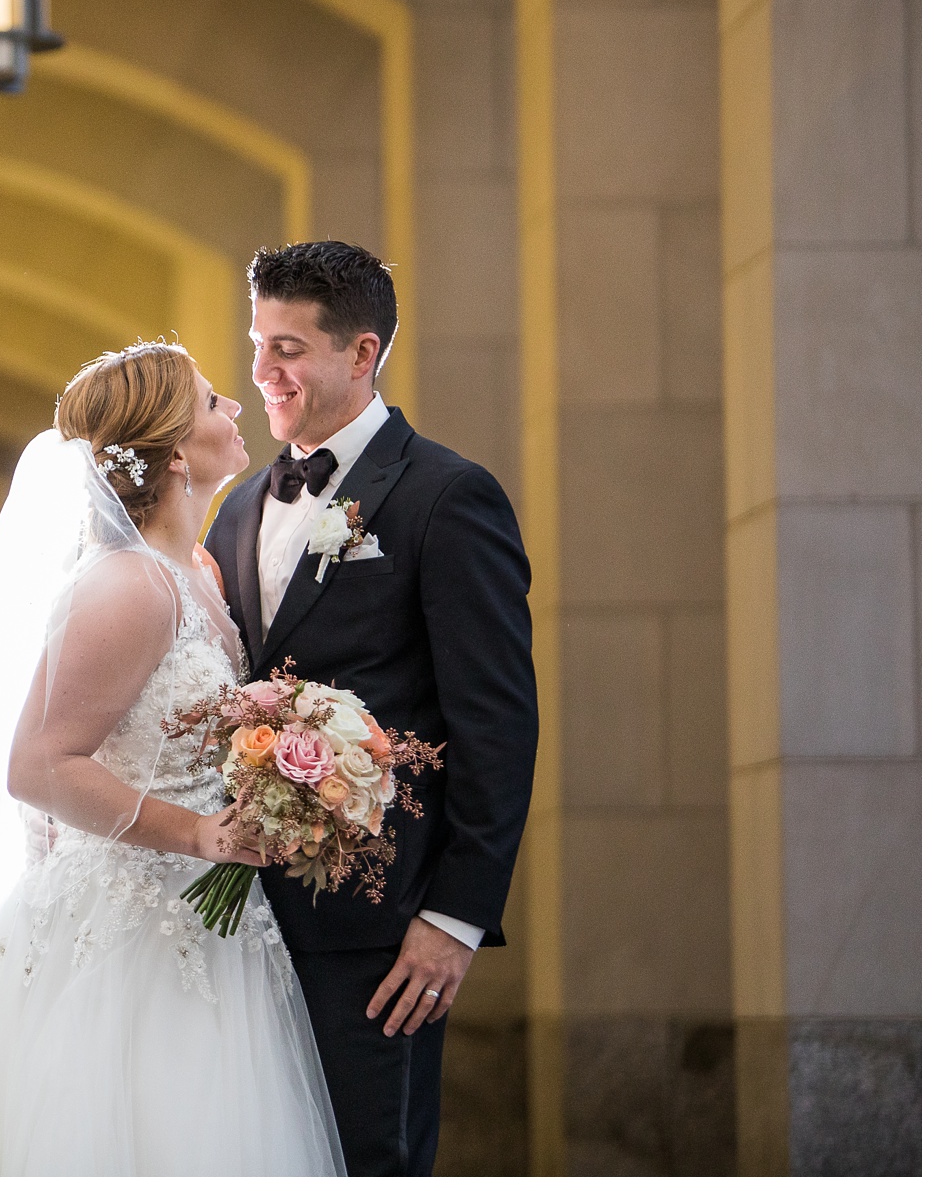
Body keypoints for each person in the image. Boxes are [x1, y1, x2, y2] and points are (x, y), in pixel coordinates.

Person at [0, 341, 344, 1176]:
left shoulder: (198, 575)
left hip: (209, 925)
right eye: (216, 400)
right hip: (123, 936)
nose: (237, 409)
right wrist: (198, 834)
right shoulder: (128, 585)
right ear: (176, 450)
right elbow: (38, 765)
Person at [204, 240, 538, 1175]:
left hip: (381, 933)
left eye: (289, 350)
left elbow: (497, 722)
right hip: (242, 931)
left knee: (368, 1162)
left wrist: (456, 917)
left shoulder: (447, 496)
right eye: (258, 345)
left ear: (362, 353)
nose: (263, 372)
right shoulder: (234, 513)